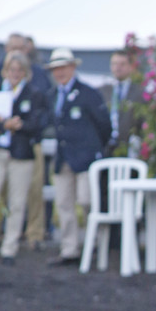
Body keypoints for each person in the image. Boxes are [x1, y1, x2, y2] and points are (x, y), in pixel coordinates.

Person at [0, 51, 46, 265]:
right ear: (5, 71)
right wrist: (2, 125)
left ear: (26, 73)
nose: (15, 74)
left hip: (21, 154)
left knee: (17, 202)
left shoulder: (34, 94)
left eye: (19, 70)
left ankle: (10, 248)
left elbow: (39, 124)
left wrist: (20, 125)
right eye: (11, 69)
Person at [45, 47, 111, 266]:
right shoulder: (53, 95)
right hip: (64, 157)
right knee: (64, 204)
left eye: (63, 68)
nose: (59, 73)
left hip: (86, 157)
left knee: (87, 202)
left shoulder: (88, 93)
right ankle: (69, 248)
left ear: (72, 67)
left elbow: (104, 126)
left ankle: (97, 244)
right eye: (56, 69)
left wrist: (93, 148)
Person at [0, 33, 52, 250]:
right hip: (1, 145)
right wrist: (2, 124)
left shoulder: (39, 74)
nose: (16, 52)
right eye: (12, 47)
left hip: (28, 144)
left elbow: (43, 107)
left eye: (20, 48)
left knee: (32, 192)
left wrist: (22, 124)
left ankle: (34, 234)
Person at [100, 49, 144, 157]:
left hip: (129, 149)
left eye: (122, 64)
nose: (118, 67)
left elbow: (143, 122)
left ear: (130, 67)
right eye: (114, 64)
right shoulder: (102, 91)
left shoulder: (140, 92)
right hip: (104, 148)